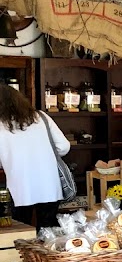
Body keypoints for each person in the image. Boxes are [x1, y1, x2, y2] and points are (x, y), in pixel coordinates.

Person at [0, 85, 70, 228]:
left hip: (19, 188)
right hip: (49, 185)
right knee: (48, 231)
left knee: (21, 231)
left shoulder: (1, 125)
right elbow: (64, 146)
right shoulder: (42, 117)